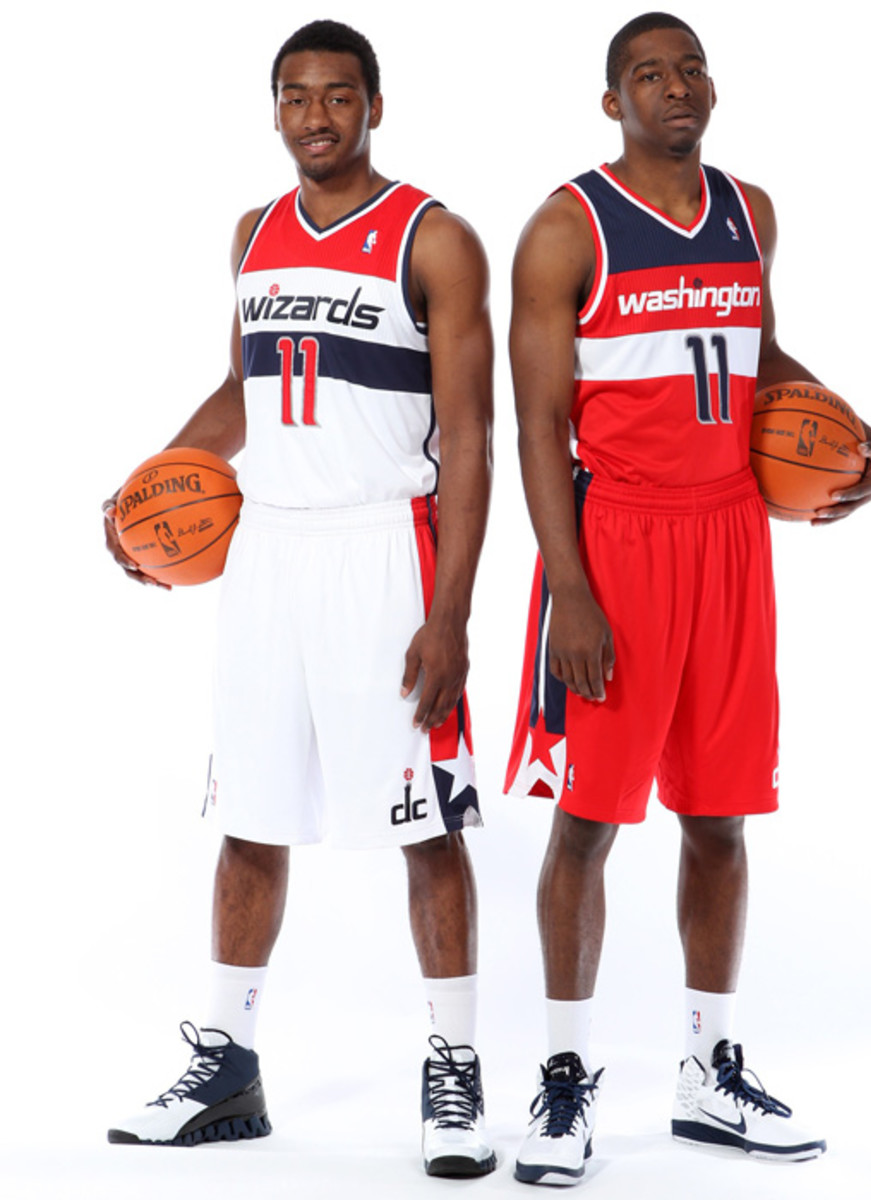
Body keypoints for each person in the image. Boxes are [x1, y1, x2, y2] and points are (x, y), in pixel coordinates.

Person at [504, 11, 871, 1186]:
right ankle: (564, 1081)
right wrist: (571, 590)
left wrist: (852, 431)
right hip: (616, 542)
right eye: (648, 74)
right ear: (611, 101)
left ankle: (709, 1072)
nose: (676, 87)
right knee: (588, 823)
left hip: (731, 535)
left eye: (690, 69)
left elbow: (757, 356)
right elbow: (536, 424)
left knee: (720, 816)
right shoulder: (566, 228)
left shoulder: (749, 212)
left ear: (711, 87)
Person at [102, 19, 496, 1178]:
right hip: (269, 550)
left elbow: (472, 436)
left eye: (336, 96)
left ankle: (457, 1070)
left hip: (385, 552)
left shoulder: (435, 238)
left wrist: (452, 614)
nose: (314, 117)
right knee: (251, 815)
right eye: (294, 96)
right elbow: (246, 386)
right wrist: (147, 489)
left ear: (374, 104)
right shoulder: (254, 234)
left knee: (424, 822)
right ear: (273, 108)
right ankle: (227, 1064)